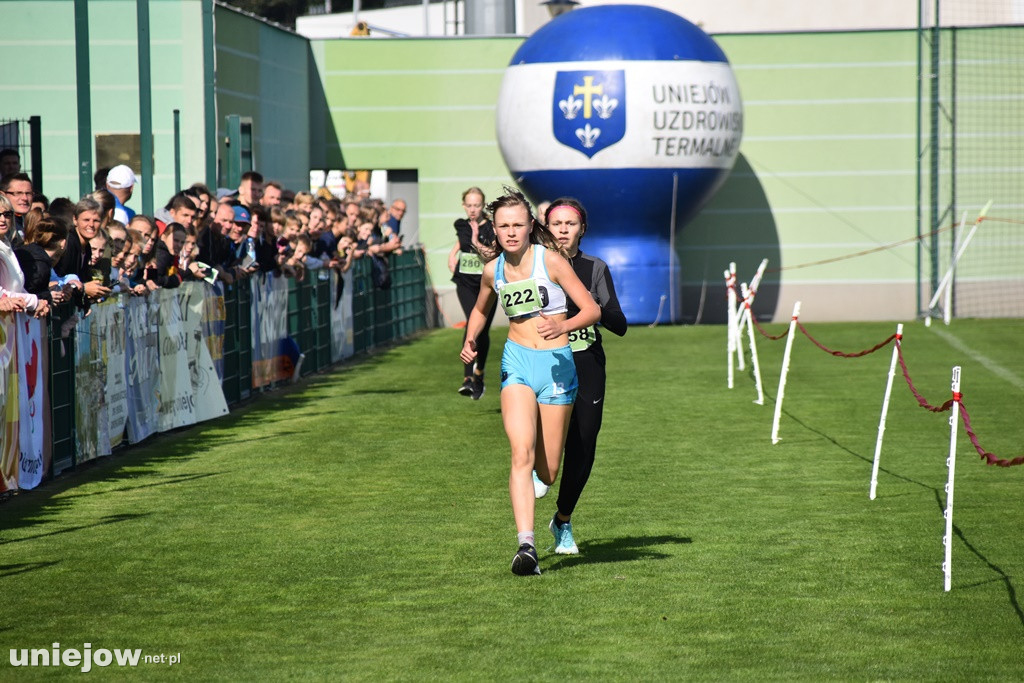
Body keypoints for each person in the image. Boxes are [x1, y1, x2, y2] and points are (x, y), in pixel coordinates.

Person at [460, 189, 600, 576]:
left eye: (517, 225)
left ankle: (554, 514)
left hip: (556, 365)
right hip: (517, 363)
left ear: (529, 227)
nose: (510, 232)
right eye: (503, 226)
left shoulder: (551, 261)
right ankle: (526, 546)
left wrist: (563, 324)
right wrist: (471, 341)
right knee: (520, 453)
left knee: (549, 470)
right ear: (494, 228)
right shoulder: (494, 271)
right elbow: (480, 309)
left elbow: (591, 309)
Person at [535, 198, 628, 555]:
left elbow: (619, 325)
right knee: (542, 429)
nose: (562, 229)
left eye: (570, 224)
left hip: (586, 359)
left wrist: (593, 308)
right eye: (556, 223)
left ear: (582, 229)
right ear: (546, 226)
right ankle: (537, 468)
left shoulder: (595, 268)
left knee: (584, 444)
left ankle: (562, 520)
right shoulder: (536, 265)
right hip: (544, 359)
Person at [449, 187, 498, 400]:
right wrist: (452, 254)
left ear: (483, 205)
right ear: (463, 205)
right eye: (468, 205)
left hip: (486, 285)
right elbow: (463, 241)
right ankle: (467, 377)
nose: (472, 209)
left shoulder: (492, 228)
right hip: (465, 283)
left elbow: (491, 252)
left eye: (476, 205)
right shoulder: (461, 224)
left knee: (483, 331)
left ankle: (479, 372)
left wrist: (477, 240)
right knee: (472, 323)